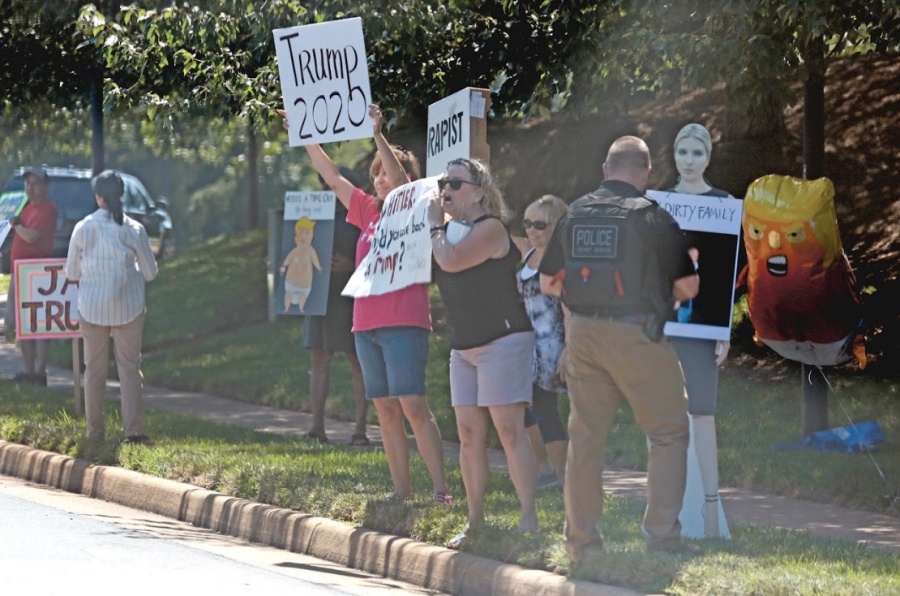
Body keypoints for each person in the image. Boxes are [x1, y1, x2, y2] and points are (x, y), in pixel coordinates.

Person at [538, 136, 699, 560]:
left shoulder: (573, 214)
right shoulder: (652, 217)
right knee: (667, 433)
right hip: (637, 336)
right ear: (646, 173)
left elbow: (546, 282)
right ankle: (663, 537)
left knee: (585, 439)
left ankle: (581, 543)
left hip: (585, 336)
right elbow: (688, 285)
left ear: (606, 170)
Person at [282, 104, 450, 503]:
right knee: (386, 411)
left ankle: (441, 491)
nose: (378, 179)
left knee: (413, 407)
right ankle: (401, 492)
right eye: (374, 174)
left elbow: (400, 178)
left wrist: (378, 133)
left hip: (404, 320)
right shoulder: (365, 210)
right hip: (365, 323)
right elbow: (332, 176)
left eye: (384, 173)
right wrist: (306, 137)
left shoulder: (414, 205)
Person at [428, 157, 538, 549]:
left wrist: (434, 227)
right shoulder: (448, 232)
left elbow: (452, 262)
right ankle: (475, 522)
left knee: (509, 431)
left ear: (479, 191)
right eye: (443, 182)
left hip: (503, 341)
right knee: (469, 435)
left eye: (455, 183)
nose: (446, 189)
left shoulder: (490, 228)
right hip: (464, 346)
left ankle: (529, 519)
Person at [667, 122, 733, 538]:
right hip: (666, 325)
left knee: (703, 412)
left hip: (705, 327)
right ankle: (670, 508)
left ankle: (711, 510)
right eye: (682, 152)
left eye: (697, 152)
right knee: (668, 415)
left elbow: (728, 272)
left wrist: (724, 329)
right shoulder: (660, 202)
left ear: (708, 157)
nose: (689, 160)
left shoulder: (724, 204)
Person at [65, 170, 159, 442]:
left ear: (97, 197)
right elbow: (150, 273)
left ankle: (94, 432)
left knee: (93, 370)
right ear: (122, 195)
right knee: (129, 369)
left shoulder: (83, 228)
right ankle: (134, 430)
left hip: (92, 308)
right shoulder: (135, 229)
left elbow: (72, 273)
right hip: (129, 308)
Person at [301, 169, 369, 446]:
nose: (330, 190)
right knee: (319, 359)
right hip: (319, 294)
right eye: (326, 185)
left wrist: (351, 267)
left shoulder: (361, 213)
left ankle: (360, 430)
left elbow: (375, 253)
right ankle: (316, 427)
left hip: (350, 297)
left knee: (358, 361)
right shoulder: (313, 211)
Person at [515, 195, 570, 488]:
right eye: (527, 222)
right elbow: (495, 230)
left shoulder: (559, 261)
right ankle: (545, 469)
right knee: (526, 408)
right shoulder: (528, 252)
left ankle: (563, 476)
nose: (531, 230)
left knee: (546, 409)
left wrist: (569, 347)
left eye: (540, 225)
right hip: (530, 344)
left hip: (554, 344)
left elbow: (569, 306)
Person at [5, 166, 58, 386]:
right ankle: (28, 372)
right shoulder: (25, 208)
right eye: (28, 182)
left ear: (45, 186)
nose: (31, 186)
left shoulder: (48, 209)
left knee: (39, 325)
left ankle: (40, 372)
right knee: (23, 325)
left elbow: (32, 236)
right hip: (20, 271)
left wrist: (16, 224)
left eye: (36, 182)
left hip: (37, 273)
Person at [280, 216, 322, 314]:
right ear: (296, 238)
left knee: (302, 297)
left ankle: (301, 308)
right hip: (291, 282)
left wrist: (319, 267)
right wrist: (283, 267)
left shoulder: (311, 251)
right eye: (302, 234)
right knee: (288, 295)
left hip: (304, 285)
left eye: (308, 233)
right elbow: (288, 259)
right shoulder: (295, 251)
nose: (305, 237)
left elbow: (315, 260)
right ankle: (286, 308)